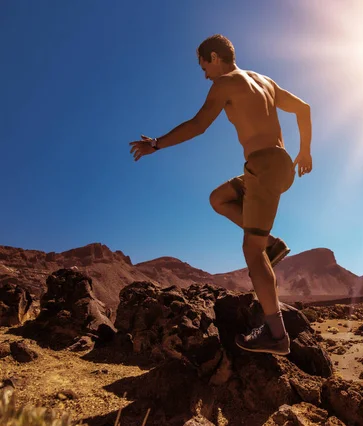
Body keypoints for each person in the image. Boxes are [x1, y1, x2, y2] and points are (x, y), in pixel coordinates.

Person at [129, 34, 312, 356]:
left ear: (214, 57)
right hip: (277, 166)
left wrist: (156, 144)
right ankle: (273, 245)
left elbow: (199, 124)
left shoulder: (225, 83)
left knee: (251, 251)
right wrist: (305, 152)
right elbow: (304, 109)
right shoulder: (264, 81)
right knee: (219, 199)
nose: (204, 75)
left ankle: (276, 334)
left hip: (263, 166)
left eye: (203, 67)